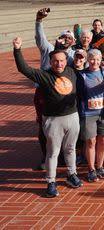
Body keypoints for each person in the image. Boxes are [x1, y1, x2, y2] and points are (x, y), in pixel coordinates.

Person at [13, 37, 83, 198]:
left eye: (62, 61)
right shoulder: (44, 75)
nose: (59, 64)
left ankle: (71, 174)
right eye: (55, 61)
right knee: (53, 152)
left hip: (72, 117)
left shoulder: (72, 71)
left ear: (67, 61)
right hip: (53, 120)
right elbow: (23, 69)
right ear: (50, 62)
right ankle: (51, 182)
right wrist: (17, 49)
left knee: (71, 148)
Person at [76, 49, 104, 182]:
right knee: (90, 141)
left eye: (97, 59)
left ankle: (100, 166)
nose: (95, 62)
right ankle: (91, 169)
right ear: (88, 60)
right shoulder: (82, 75)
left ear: (101, 61)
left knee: (102, 140)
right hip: (88, 113)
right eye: (92, 59)